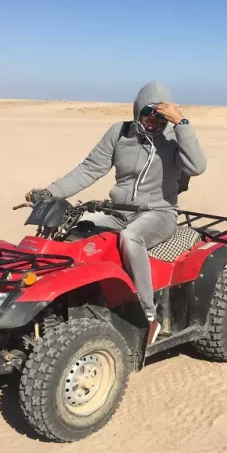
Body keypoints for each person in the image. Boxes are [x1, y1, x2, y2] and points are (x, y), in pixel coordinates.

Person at [25, 81, 207, 322]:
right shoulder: (120, 133)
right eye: (147, 112)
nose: (153, 119)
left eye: (160, 114)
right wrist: (51, 192)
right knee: (74, 232)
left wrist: (181, 123)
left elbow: (197, 166)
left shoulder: (174, 138)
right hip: (117, 211)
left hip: (159, 214)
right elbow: (89, 169)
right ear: (137, 110)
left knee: (131, 237)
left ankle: (147, 312)